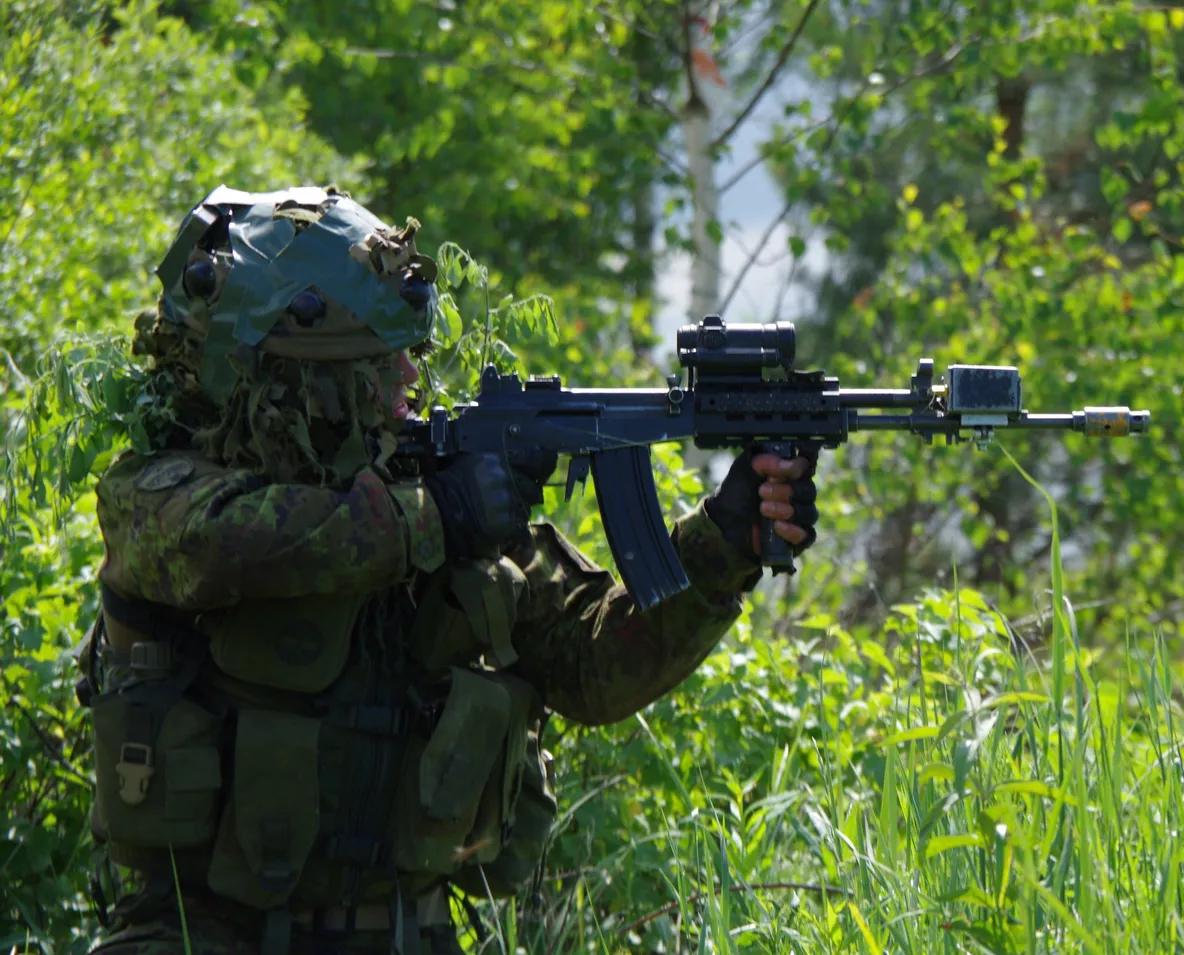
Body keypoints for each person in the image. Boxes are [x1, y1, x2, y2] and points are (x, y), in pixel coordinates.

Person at [81, 185, 819, 955]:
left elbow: (597, 664)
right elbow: (226, 544)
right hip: (199, 935)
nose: (409, 378)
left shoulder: (433, 494)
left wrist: (725, 542)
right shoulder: (160, 492)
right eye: (379, 362)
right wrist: (442, 514)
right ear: (299, 379)